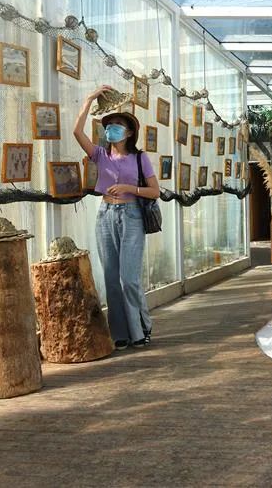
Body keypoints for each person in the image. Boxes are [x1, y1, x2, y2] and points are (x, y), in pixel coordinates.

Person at [73, 85, 160, 350]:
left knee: (129, 279)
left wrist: (128, 188)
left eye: (118, 125)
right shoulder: (99, 154)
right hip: (105, 216)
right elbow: (77, 132)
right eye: (109, 125)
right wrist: (89, 99)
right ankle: (119, 333)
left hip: (131, 215)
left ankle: (141, 329)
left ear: (130, 132)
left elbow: (155, 191)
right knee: (111, 278)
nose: (112, 129)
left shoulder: (140, 158)